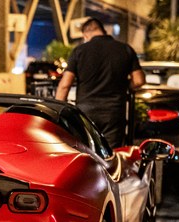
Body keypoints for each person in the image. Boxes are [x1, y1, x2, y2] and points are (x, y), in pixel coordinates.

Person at [56, 18, 146, 148]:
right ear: (103, 31)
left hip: (86, 113)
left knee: (86, 153)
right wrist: (127, 85)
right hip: (113, 114)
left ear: (85, 35)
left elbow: (65, 85)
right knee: (111, 155)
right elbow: (139, 81)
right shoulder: (125, 49)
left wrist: (59, 113)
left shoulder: (79, 51)